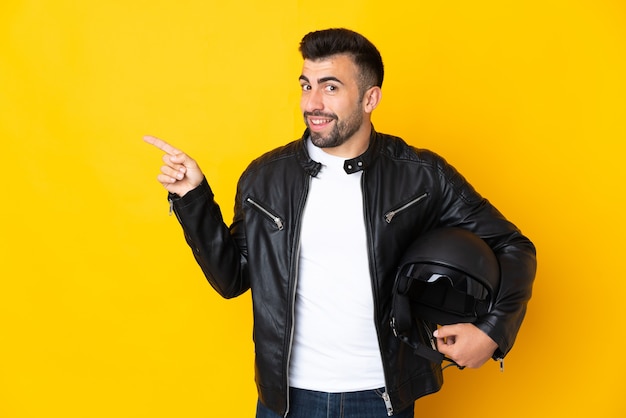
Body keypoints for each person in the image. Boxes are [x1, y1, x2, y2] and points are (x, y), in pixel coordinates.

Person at [145, 28, 536, 418]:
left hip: (381, 397)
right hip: (285, 400)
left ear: (370, 98)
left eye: (330, 88)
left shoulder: (422, 175)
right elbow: (232, 279)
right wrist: (192, 198)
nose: (312, 102)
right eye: (306, 85)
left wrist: (491, 332)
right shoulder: (265, 177)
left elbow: (513, 246)